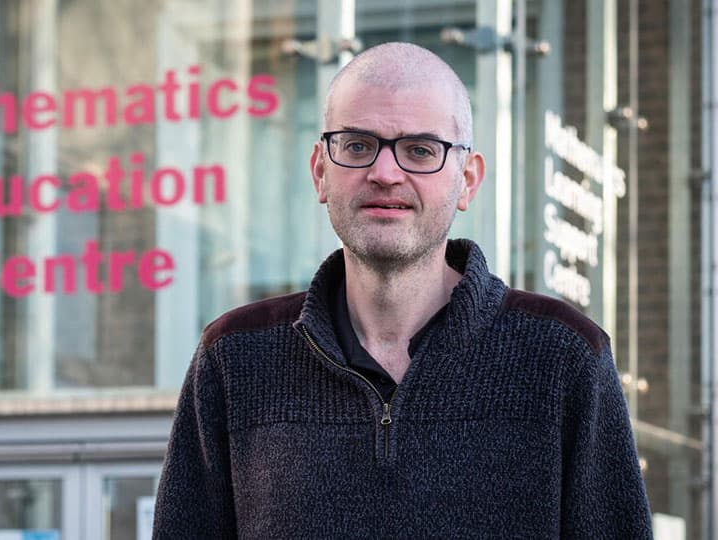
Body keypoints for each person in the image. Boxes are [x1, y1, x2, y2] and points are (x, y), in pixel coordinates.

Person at [152, 42, 652, 538]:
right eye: (357, 145)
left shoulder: (563, 358)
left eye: (420, 150)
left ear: (468, 180)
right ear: (320, 171)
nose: (385, 173)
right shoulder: (235, 360)